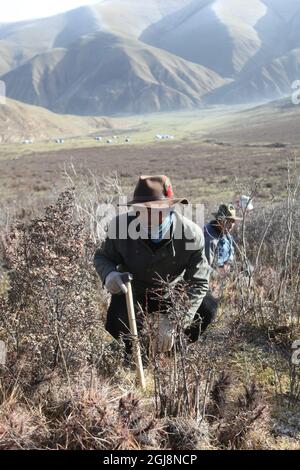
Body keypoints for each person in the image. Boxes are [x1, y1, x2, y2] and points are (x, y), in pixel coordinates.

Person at [94, 175, 211, 354]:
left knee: (208, 308)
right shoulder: (120, 227)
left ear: (170, 207)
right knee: (115, 321)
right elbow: (102, 257)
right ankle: (132, 352)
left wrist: (175, 320)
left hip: (172, 293)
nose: (148, 215)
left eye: (156, 209)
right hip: (134, 292)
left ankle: (174, 349)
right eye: (141, 209)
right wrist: (110, 275)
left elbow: (199, 282)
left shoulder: (191, 234)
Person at [204, 203, 242, 273]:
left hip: (225, 269)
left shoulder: (226, 235)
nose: (231, 225)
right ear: (219, 220)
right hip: (211, 273)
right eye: (227, 221)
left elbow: (231, 252)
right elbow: (205, 266)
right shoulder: (209, 238)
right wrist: (221, 272)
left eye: (233, 221)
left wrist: (228, 264)